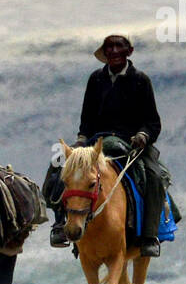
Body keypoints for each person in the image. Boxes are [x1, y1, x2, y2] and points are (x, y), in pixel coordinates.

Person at [47, 34, 165, 257]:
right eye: (108, 47)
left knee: (154, 176)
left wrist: (142, 135)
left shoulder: (141, 80)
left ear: (128, 52)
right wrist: (82, 139)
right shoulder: (96, 79)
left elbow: (153, 122)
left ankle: (149, 236)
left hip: (131, 144)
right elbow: (86, 118)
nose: (113, 51)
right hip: (95, 144)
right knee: (57, 167)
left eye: (118, 47)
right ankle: (60, 224)